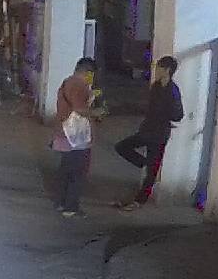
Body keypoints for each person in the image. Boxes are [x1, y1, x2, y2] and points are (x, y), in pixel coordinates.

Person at [114, 55, 184, 210]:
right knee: (122, 147)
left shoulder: (173, 91)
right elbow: (149, 109)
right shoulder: (156, 87)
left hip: (160, 134)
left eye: (159, 68)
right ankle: (144, 163)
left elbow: (178, 115)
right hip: (148, 129)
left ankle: (139, 200)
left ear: (167, 70)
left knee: (151, 173)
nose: (156, 70)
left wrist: (165, 113)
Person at [51, 58, 98, 217]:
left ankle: (60, 202)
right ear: (87, 72)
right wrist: (96, 112)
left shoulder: (68, 82)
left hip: (65, 133)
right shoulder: (78, 85)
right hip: (74, 137)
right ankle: (70, 206)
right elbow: (79, 109)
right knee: (77, 172)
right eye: (91, 75)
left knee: (66, 170)